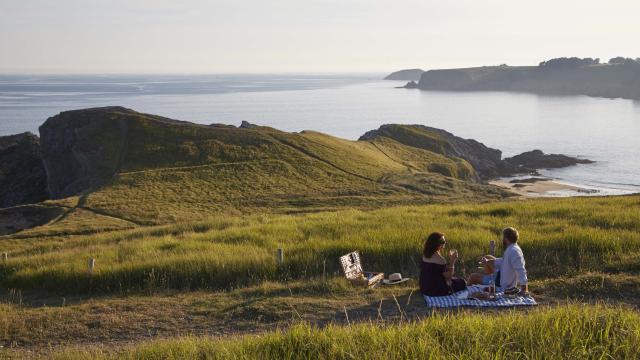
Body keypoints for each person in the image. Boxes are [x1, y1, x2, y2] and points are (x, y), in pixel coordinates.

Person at [468, 227, 528, 293]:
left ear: (506, 238)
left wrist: (524, 289)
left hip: (500, 283)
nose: (502, 239)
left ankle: (464, 294)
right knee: (488, 257)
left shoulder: (513, 251)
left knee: (472, 277)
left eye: (503, 237)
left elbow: (521, 270)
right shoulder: (513, 248)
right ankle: (487, 275)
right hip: (500, 276)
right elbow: (504, 261)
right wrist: (488, 262)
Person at [420, 232, 466, 296]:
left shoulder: (425, 256)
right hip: (436, 290)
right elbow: (449, 276)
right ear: (438, 245)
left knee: (455, 279)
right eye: (443, 242)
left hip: (424, 287)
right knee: (462, 282)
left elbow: (439, 271)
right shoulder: (441, 260)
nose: (445, 243)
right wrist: (452, 261)